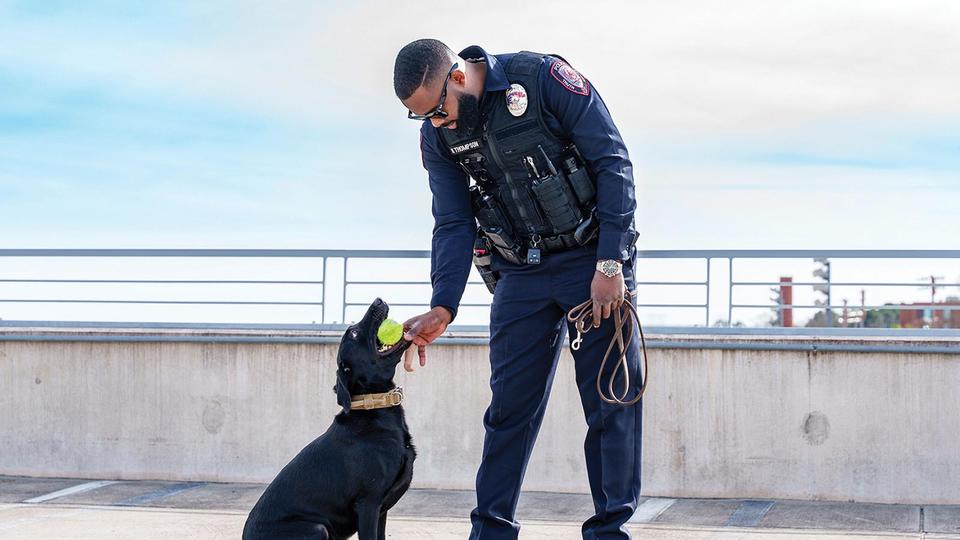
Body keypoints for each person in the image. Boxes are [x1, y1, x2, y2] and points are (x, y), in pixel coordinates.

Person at [393, 39, 642, 540]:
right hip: (520, 274)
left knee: (610, 403)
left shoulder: (543, 79)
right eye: (421, 118)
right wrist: (444, 304)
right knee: (507, 412)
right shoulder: (436, 138)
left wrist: (611, 262)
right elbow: (452, 221)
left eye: (437, 111)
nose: (435, 125)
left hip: (592, 260)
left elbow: (613, 162)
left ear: (458, 78)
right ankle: (491, 531)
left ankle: (609, 533)